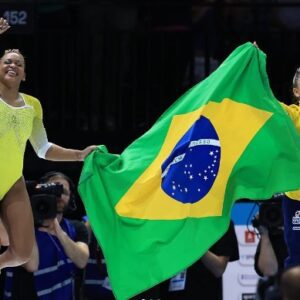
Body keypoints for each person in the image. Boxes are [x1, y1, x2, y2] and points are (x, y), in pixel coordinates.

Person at [0, 18, 97, 271]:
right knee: (6, 238)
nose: (13, 65)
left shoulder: (32, 105)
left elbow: (43, 149)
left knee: (20, 252)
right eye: (7, 61)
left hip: (11, 180)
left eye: (18, 64)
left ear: (24, 73)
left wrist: (79, 155)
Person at [2, 171, 90, 300]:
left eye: (64, 192)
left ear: (71, 197)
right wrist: (28, 212)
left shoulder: (77, 227)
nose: (59, 196)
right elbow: (32, 265)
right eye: (53, 190)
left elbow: (82, 261)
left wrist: (59, 232)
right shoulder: (18, 226)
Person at [160, 220, 239, 300]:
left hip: (204, 293)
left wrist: (195, 244)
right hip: (170, 293)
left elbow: (219, 269)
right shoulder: (168, 221)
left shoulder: (221, 222)